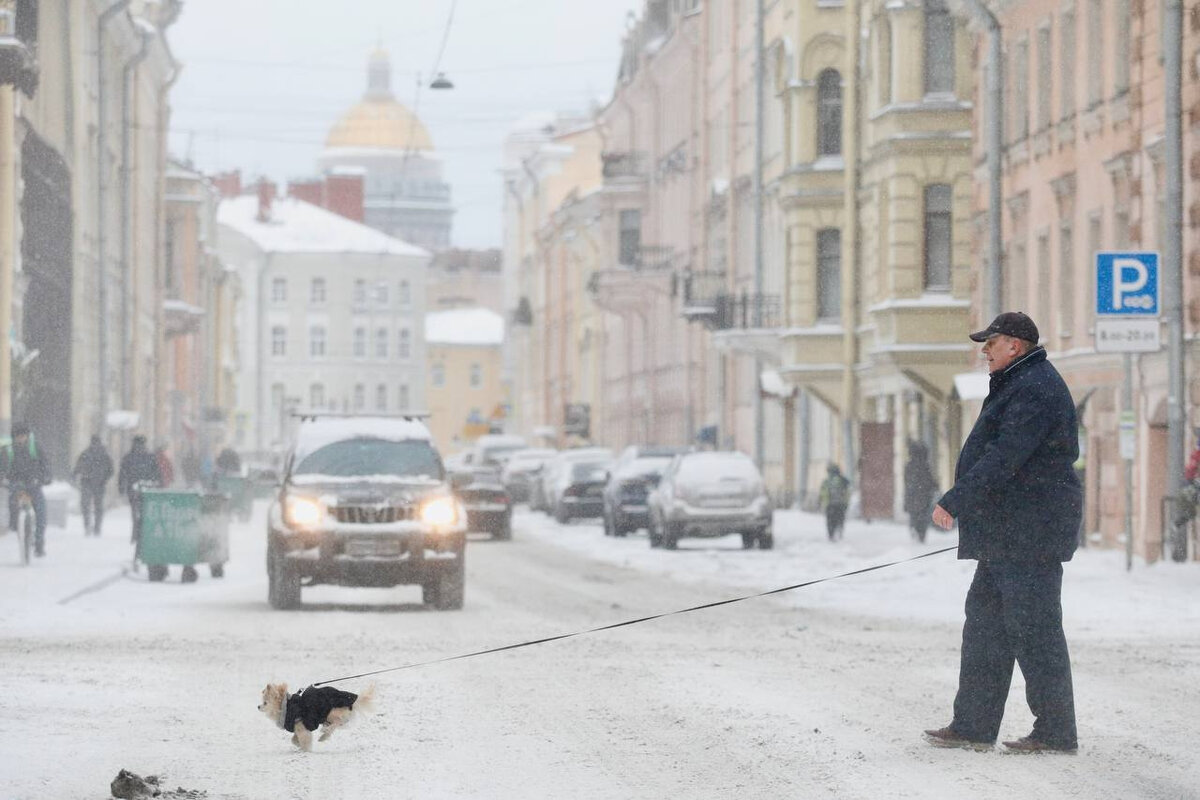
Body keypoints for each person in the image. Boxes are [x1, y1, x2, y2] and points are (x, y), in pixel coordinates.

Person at [925, 312, 1080, 755]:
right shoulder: (1018, 382)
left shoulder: (1035, 387)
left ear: (1014, 345)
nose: (984, 351)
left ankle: (1055, 732)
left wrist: (957, 499)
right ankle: (973, 725)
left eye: (990, 343)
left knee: (1036, 632)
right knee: (986, 629)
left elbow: (1005, 456)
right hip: (1008, 533)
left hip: (1030, 533)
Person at [1, 422, 51, 556]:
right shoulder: (8, 450)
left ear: (28, 436)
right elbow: (1, 467)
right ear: (14, 437)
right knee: (13, 506)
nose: (21, 439)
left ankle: (39, 543)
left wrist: (46, 477)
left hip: (34, 484)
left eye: (23, 436)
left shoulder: (36, 448)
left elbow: (45, 464)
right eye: (18, 436)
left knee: (41, 514)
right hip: (16, 484)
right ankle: (17, 528)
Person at [118, 435, 162, 546]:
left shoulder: (129, 457)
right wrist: (157, 484)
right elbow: (157, 474)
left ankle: (136, 534)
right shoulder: (150, 457)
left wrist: (121, 487)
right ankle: (142, 535)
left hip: (133, 489)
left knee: (135, 513)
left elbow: (122, 474)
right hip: (147, 490)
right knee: (145, 514)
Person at [73, 434, 114, 536]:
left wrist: (75, 475)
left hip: (86, 482)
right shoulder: (105, 455)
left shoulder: (86, 453)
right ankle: (97, 528)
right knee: (98, 507)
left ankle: (87, 526)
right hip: (99, 484)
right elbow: (111, 470)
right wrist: (104, 479)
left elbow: (78, 467)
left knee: (86, 506)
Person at [903, 441, 937, 543]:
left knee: (915, 515)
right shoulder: (924, 466)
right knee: (923, 515)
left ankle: (915, 530)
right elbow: (930, 481)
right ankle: (921, 534)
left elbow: (907, 481)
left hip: (913, 495)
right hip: (924, 496)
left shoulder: (909, 466)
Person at [818, 464, 850, 542]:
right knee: (840, 519)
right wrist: (846, 503)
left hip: (830, 504)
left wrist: (820, 501)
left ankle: (831, 535)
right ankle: (839, 531)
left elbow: (822, 492)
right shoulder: (843, 480)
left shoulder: (827, 481)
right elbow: (847, 493)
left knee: (830, 520)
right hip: (841, 504)